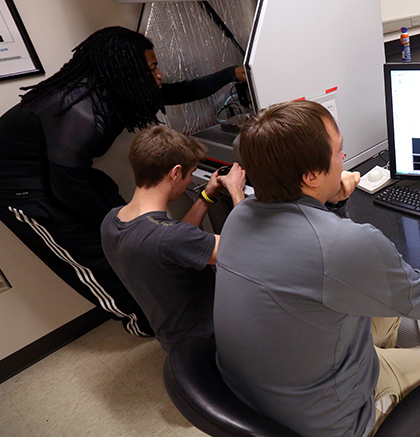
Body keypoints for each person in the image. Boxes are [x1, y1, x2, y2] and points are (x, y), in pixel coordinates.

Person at [214, 100, 420, 437]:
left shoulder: (238, 216)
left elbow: (335, 270)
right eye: (338, 151)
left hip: (263, 415)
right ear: (313, 174)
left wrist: (334, 204)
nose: (345, 157)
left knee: (382, 312)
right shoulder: (342, 246)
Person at [0, 26, 245, 337]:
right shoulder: (81, 112)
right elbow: (66, 187)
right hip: (22, 189)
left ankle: (155, 304)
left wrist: (231, 74)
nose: (158, 75)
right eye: (153, 67)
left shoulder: (115, 89)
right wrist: (121, 232)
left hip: (66, 173)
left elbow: (174, 92)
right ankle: (140, 321)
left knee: (127, 239)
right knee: (93, 253)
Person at [100, 126, 246, 352]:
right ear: (175, 172)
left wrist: (206, 196)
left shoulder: (112, 221)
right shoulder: (171, 237)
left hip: (173, 337)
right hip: (211, 339)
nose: (188, 181)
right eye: (189, 175)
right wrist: (238, 194)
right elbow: (249, 250)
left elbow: (171, 243)